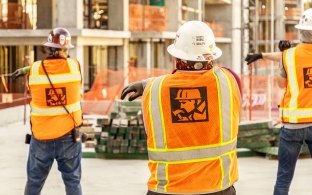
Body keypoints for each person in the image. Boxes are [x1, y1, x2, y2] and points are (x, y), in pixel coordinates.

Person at [121, 20, 242, 195]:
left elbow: (150, 132)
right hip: (217, 187)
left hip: (167, 189)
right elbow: (211, 76)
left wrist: (147, 83)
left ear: (176, 57)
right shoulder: (230, 82)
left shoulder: (154, 90)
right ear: (211, 55)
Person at [245, 8, 312, 195]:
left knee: (283, 178)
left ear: (301, 30)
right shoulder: (289, 54)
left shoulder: (289, 55)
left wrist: (282, 56)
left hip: (293, 126)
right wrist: (264, 55)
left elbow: (281, 84)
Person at [12, 27, 83, 195]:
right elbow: (64, 65)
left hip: (41, 137)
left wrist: (25, 69)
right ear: (66, 49)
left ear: (48, 47)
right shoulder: (75, 66)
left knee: (34, 182)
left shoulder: (35, 70)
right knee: (72, 180)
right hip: (69, 136)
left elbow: (37, 74)